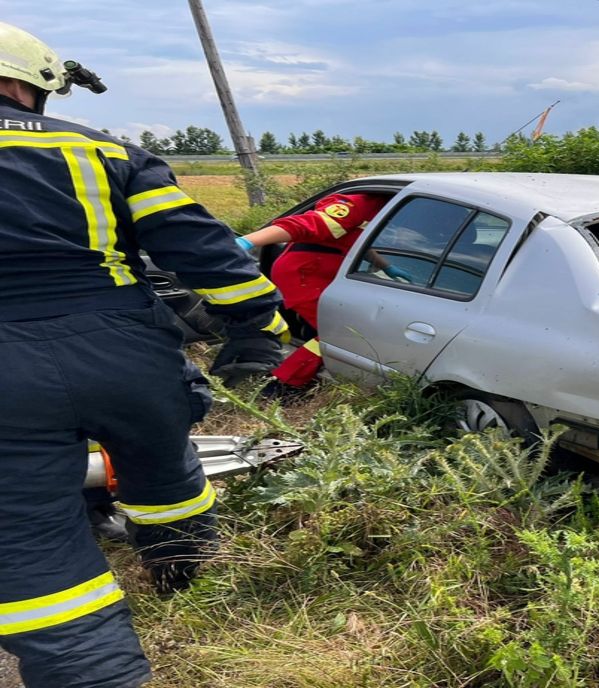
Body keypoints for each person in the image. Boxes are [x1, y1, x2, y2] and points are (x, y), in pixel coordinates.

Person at [0, 22, 288, 688]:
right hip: (128, 354)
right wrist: (254, 328)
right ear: (24, 84)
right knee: (162, 463)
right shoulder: (104, 151)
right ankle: (181, 568)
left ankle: (94, 672)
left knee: (30, 537)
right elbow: (201, 246)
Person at [237, 192, 410, 396]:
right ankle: (282, 385)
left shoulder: (391, 208)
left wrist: (386, 267)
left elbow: (355, 241)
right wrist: (246, 242)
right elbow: (304, 224)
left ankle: (308, 370)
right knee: (337, 334)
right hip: (304, 276)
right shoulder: (359, 204)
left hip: (324, 274)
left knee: (323, 326)